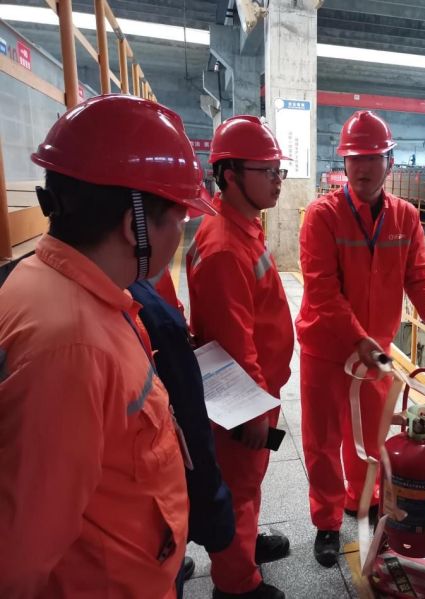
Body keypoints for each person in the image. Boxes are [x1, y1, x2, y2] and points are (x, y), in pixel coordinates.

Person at [0, 94, 215, 597]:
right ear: (133, 225)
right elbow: (20, 560)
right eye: (179, 218)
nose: (182, 232)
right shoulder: (71, 350)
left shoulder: (59, 284)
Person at [296, 110, 425, 568]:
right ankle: (327, 522)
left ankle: (362, 503)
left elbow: (419, 275)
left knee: (371, 439)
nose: (363, 168)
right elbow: (322, 290)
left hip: (375, 352)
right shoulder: (322, 216)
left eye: (373, 158)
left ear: (390, 162)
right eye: (355, 158)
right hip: (326, 349)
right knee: (322, 441)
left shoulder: (405, 217)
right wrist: (358, 339)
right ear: (344, 163)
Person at [186, 115, 293, 599]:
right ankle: (236, 584)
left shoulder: (242, 227)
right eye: (266, 170)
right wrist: (251, 412)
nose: (277, 179)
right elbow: (235, 340)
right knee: (238, 488)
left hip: (260, 389)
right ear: (229, 175)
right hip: (243, 398)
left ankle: (245, 549)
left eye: (278, 170)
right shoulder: (225, 246)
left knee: (250, 482)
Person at [129, 274, 236, 597]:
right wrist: (213, 510)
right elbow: (189, 419)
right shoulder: (143, 310)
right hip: (132, 546)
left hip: (147, 530)